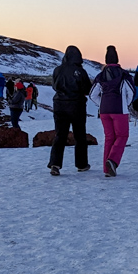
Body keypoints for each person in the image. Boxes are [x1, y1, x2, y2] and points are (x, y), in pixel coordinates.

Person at [90, 46, 136, 177]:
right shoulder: (123, 74)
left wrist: (102, 104)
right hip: (119, 110)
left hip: (104, 111)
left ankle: (107, 169)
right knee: (122, 136)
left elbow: (93, 94)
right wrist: (125, 104)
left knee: (109, 138)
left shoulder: (101, 76)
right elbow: (131, 92)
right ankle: (113, 161)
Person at [48, 45, 92, 176]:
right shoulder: (80, 71)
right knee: (80, 136)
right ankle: (82, 164)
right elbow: (87, 89)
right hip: (77, 105)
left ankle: (55, 164)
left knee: (60, 135)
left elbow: (54, 86)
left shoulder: (57, 70)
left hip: (59, 105)